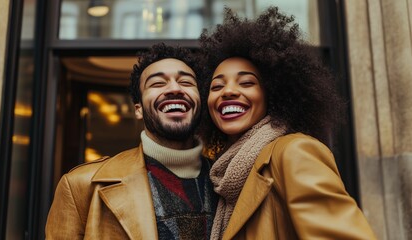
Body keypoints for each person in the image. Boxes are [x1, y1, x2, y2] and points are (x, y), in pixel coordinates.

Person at [197, 7, 377, 240]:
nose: (228, 91)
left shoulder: (294, 152)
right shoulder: (224, 179)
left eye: (246, 83)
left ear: (272, 94)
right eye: (217, 86)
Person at [46, 43, 217, 239]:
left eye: (186, 82)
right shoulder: (80, 186)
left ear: (200, 102)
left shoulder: (227, 183)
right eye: (158, 83)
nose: (174, 88)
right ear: (138, 109)